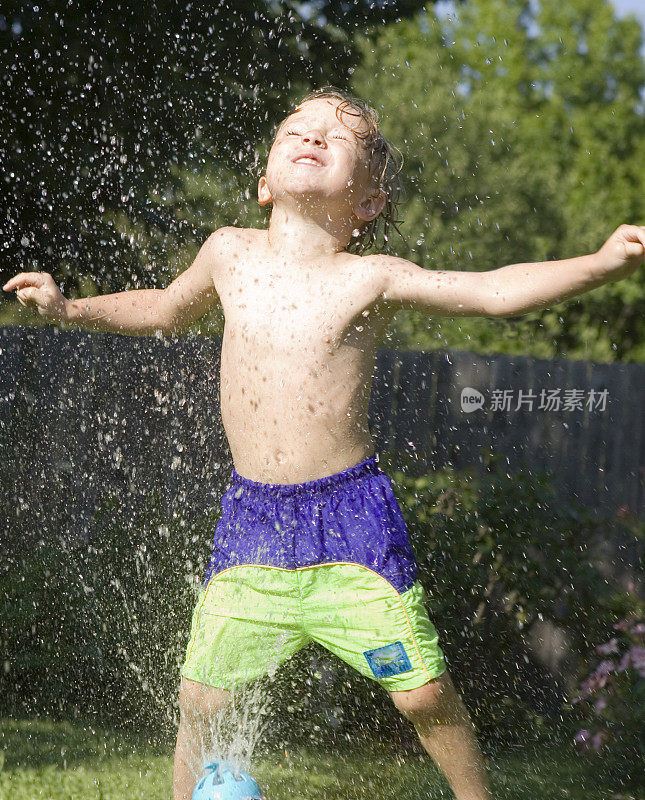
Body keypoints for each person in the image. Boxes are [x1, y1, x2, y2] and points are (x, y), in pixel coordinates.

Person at [4, 86, 645, 800]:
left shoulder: (369, 276)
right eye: (294, 131)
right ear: (263, 184)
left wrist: (600, 265)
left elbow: (492, 290)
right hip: (253, 521)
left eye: (335, 139)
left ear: (366, 201)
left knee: (422, 694)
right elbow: (162, 308)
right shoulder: (229, 254)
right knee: (201, 699)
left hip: (352, 521)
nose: (310, 137)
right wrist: (70, 308)